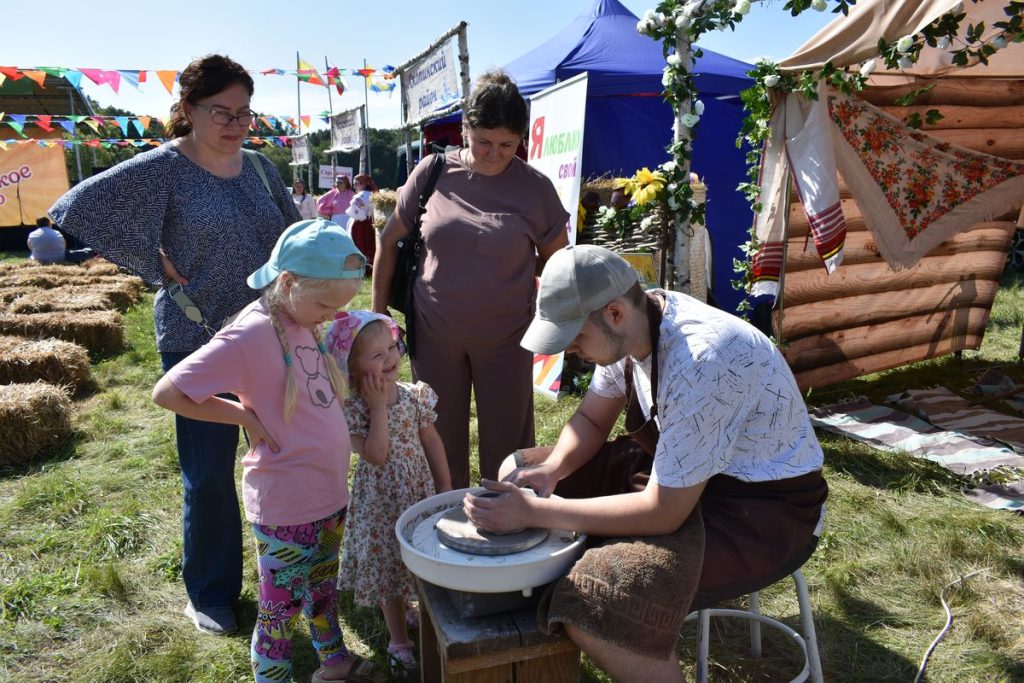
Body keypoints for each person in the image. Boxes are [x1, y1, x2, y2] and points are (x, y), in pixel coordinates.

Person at [463, 245, 828, 683]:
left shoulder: (704, 359)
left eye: (575, 337)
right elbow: (591, 419)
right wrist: (553, 469)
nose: (571, 351)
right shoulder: (631, 329)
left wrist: (536, 512)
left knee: (594, 606)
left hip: (760, 510)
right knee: (518, 469)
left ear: (615, 313)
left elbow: (663, 512)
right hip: (680, 472)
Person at [48, 54, 300, 636]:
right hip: (197, 336)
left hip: (268, 332)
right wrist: (149, 258)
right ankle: (211, 593)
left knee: (282, 455)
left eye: (244, 112)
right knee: (208, 473)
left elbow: (292, 236)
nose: (236, 124)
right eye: (221, 112)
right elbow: (77, 207)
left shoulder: (261, 167)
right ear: (188, 108)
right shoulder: (163, 166)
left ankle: (291, 573)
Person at [152, 219, 379, 683]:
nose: (331, 315)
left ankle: (334, 663)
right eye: (325, 305)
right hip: (287, 507)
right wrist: (244, 417)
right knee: (279, 616)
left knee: (322, 589)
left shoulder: (301, 317)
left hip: (328, 495)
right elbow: (168, 392)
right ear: (289, 282)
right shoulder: (250, 334)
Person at [372, 70, 570, 489]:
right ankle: (442, 518)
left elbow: (559, 263)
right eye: (483, 142)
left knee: (508, 450)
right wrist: (377, 318)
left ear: (522, 139)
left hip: (508, 339)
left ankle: (505, 520)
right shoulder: (432, 172)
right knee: (438, 444)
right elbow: (388, 242)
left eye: (507, 145)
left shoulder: (536, 189)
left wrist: (523, 279)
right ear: (464, 129)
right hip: (434, 335)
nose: (494, 154)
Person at [325, 310, 451, 673]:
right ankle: (398, 641)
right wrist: (378, 407)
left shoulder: (413, 394)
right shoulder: (354, 407)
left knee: (420, 555)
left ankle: (412, 610)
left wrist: (444, 486)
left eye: (392, 347)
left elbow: (431, 439)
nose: (390, 357)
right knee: (389, 570)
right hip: (381, 502)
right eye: (377, 355)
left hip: (417, 491)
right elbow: (376, 455)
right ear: (352, 370)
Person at [346, 173, 378, 273]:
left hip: (360, 223)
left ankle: (360, 267)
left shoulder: (361, 195)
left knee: (360, 243)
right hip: (370, 222)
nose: (354, 186)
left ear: (363, 184)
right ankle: (369, 266)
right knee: (369, 243)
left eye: (356, 184)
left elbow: (354, 210)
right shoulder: (373, 194)